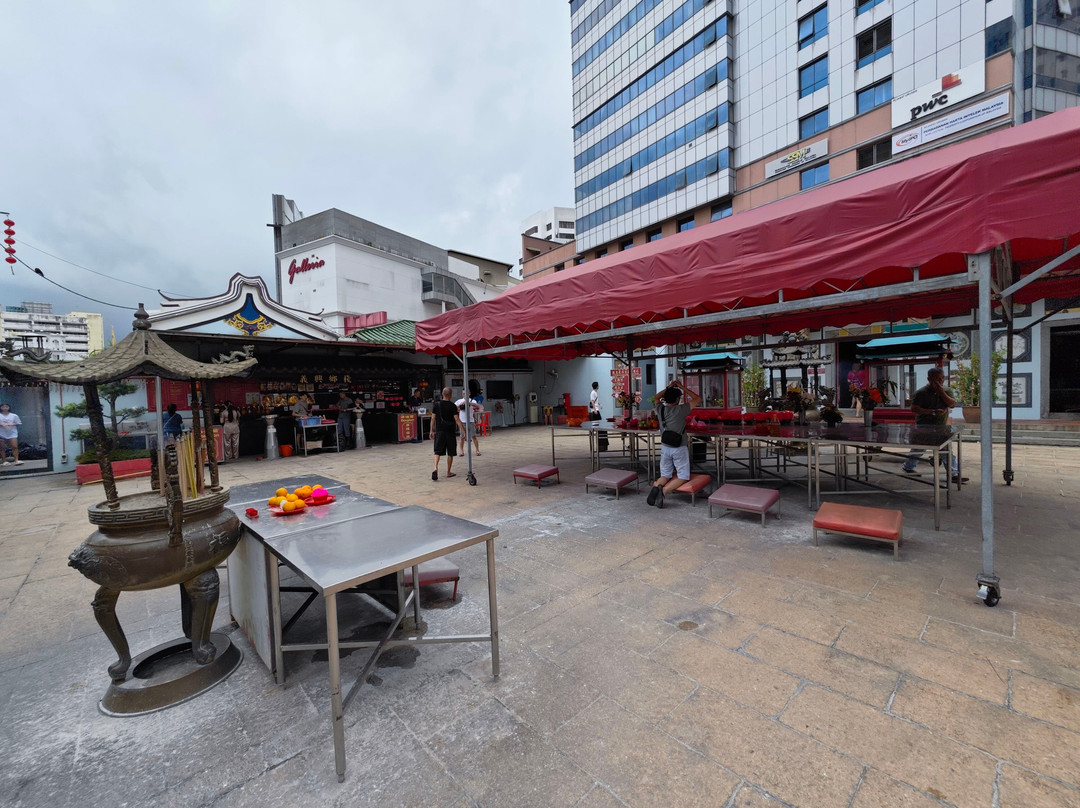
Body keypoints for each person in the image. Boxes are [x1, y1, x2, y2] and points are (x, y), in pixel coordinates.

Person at [902, 367, 967, 482]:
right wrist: (932, 411)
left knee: (946, 450)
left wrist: (941, 392)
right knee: (918, 449)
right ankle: (908, 467)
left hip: (941, 426)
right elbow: (914, 408)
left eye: (941, 379)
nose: (938, 381)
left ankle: (954, 474)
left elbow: (952, 404)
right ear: (928, 379)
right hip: (924, 426)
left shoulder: (947, 390)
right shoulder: (921, 393)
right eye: (935, 379)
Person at [646, 380, 702, 508]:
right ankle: (664, 491)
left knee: (665, 474)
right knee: (683, 476)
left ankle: (658, 485)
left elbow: (656, 397)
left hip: (666, 447)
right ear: (677, 399)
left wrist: (669, 387)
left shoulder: (660, 409)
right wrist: (681, 386)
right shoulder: (682, 409)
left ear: (665, 398)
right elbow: (698, 398)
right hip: (679, 447)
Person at [430, 387, 462, 480]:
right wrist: (463, 430)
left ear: (442, 395)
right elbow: (457, 420)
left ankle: (435, 468)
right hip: (450, 431)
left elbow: (433, 418)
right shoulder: (453, 406)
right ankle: (448, 472)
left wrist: (431, 430)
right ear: (450, 395)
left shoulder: (437, 405)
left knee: (437, 451)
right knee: (450, 452)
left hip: (439, 431)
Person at [455, 389, 481, 457]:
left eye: (466, 393)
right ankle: (461, 451)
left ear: (469, 393)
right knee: (462, 437)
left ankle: (477, 450)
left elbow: (477, 405)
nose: (464, 395)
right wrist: (459, 406)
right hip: (462, 421)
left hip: (470, 421)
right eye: (463, 393)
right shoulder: (459, 401)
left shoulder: (472, 400)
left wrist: (469, 403)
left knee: (473, 436)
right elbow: (454, 407)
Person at [588, 380, 608, 452]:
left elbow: (595, 401)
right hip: (595, 411)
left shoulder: (595, 393)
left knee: (599, 426)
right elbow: (592, 401)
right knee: (599, 426)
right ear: (597, 386)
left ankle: (602, 445)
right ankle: (601, 445)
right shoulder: (593, 393)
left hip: (596, 409)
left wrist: (599, 404)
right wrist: (595, 409)